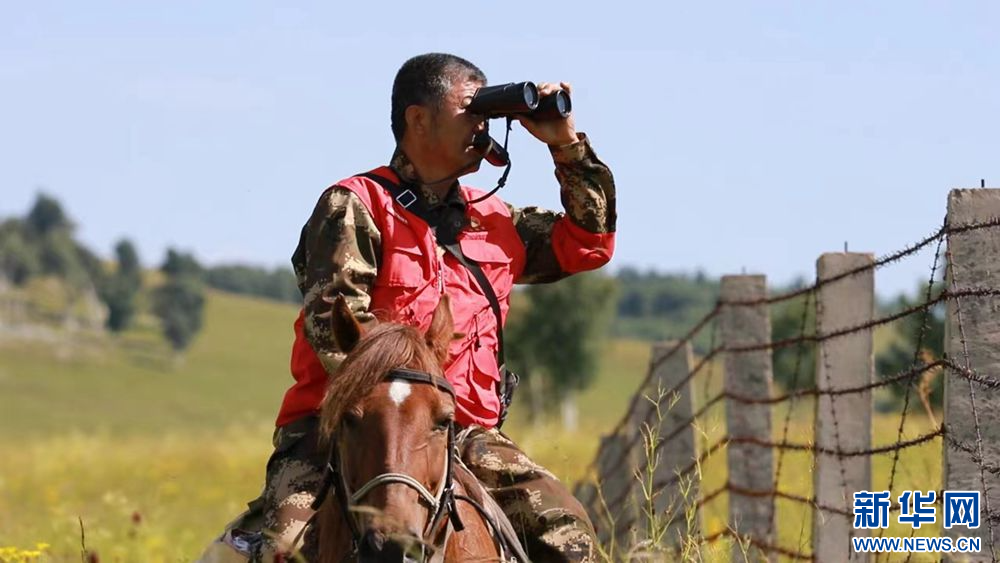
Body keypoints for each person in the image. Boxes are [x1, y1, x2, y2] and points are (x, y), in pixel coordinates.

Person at [197, 52, 616, 563]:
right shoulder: (355, 205)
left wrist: (564, 143)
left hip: (465, 434)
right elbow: (334, 331)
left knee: (569, 534)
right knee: (282, 550)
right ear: (418, 119)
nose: (482, 125)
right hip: (345, 430)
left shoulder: (495, 218)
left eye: (488, 113)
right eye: (471, 109)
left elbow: (590, 243)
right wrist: (414, 394)